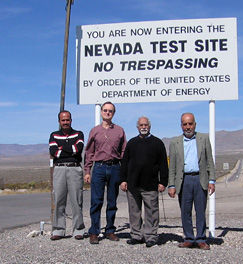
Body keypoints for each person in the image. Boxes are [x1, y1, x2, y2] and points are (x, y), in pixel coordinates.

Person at [168, 112, 215, 250]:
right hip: (184, 181)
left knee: (201, 211)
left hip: (200, 179)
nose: (188, 127)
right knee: (185, 211)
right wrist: (171, 185)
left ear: (195, 124)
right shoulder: (175, 142)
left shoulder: (204, 138)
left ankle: (201, 239)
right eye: (185, 124)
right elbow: (172, 166)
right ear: (181, 126)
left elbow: (209, 161)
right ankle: (188, 238)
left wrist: (212, 180)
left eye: (190, 123)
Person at [120, 117, 168, 248]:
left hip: (151, 184)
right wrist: (123, 179)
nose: (143, 127)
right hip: (133, 183)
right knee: (134, 211)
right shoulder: (132, 143)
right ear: (137, 127)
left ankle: (151, 236)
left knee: (151, 211)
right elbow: (124, 162)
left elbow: (163, 164)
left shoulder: (157, 143)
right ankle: (136, 235)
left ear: (150, 126)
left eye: (146, 124)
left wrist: (163, 181)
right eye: (141, 125)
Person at [84, 102, 127, 244]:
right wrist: (87, 170)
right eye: (105, 110)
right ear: (101, 112)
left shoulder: (120, 130)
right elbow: (89, 151)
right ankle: (94, 231)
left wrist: (124, 173)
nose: (107, 113)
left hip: (115, 167)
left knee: (112, 201)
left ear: (114, 113)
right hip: (99, 168)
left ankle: (110, 230)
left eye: (110, 111)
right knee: (96, 201)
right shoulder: (94, 131)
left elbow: (124, 152)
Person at [49, 110, 85, 241]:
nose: (65, 122)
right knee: (59, 200)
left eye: (67, 120)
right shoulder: (54, 135)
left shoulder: (79, 134)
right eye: (63, 120)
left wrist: (62, 148)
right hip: (59, 170)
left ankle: (78, 230)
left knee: (76, 200)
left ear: (71, 120)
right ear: (59, 121)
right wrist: (70, 149)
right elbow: (54, 152)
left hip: (74, 169)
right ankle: (58, 230)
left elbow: (78, 150)